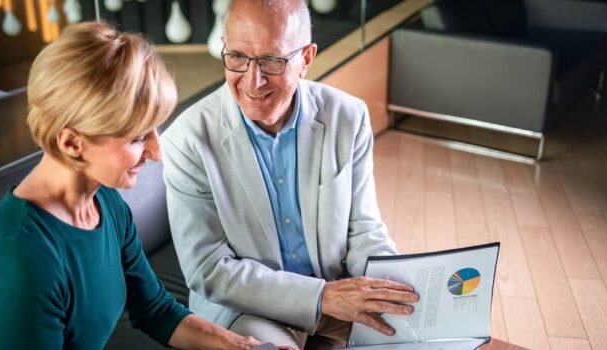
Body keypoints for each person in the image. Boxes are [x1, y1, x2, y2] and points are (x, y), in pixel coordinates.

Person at [0, 22, 270, 350]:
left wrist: (243, 346)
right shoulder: (21, 260)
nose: (156, 152)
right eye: (136, 137)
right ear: (73, 143)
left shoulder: (105, 203)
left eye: (155, 129)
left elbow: (156, 311)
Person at [161, 0, 419, 348]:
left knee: (425, 338)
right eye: (237, 56)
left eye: (272, 60)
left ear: (306, 59)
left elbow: (364, 230)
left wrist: (394, 285)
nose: (254, 80)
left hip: (337, 292)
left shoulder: (349, 117)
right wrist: (322, 296)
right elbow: (210, 270)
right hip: (246, 309)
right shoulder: (187, 140)